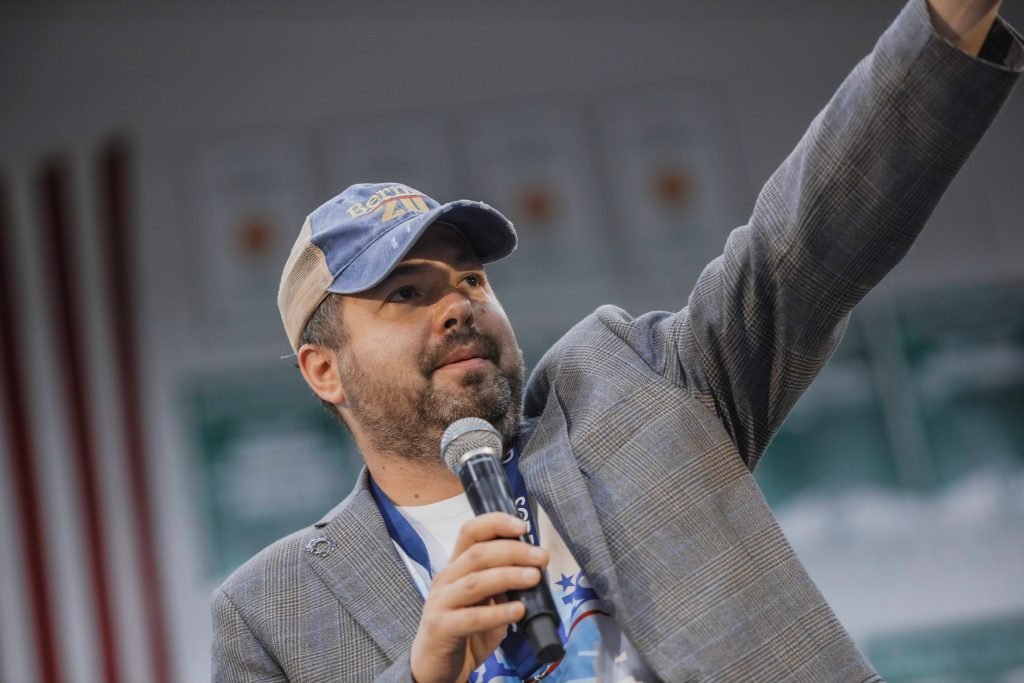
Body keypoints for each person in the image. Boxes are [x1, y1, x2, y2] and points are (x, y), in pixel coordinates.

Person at [211, 0, 1022, 681]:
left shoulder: (624, 386)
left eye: (472, 280)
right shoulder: (267, 612)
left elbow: (803, 249)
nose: (456, 306)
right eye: (406, 293)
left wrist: (947, 20)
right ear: (324, 369)